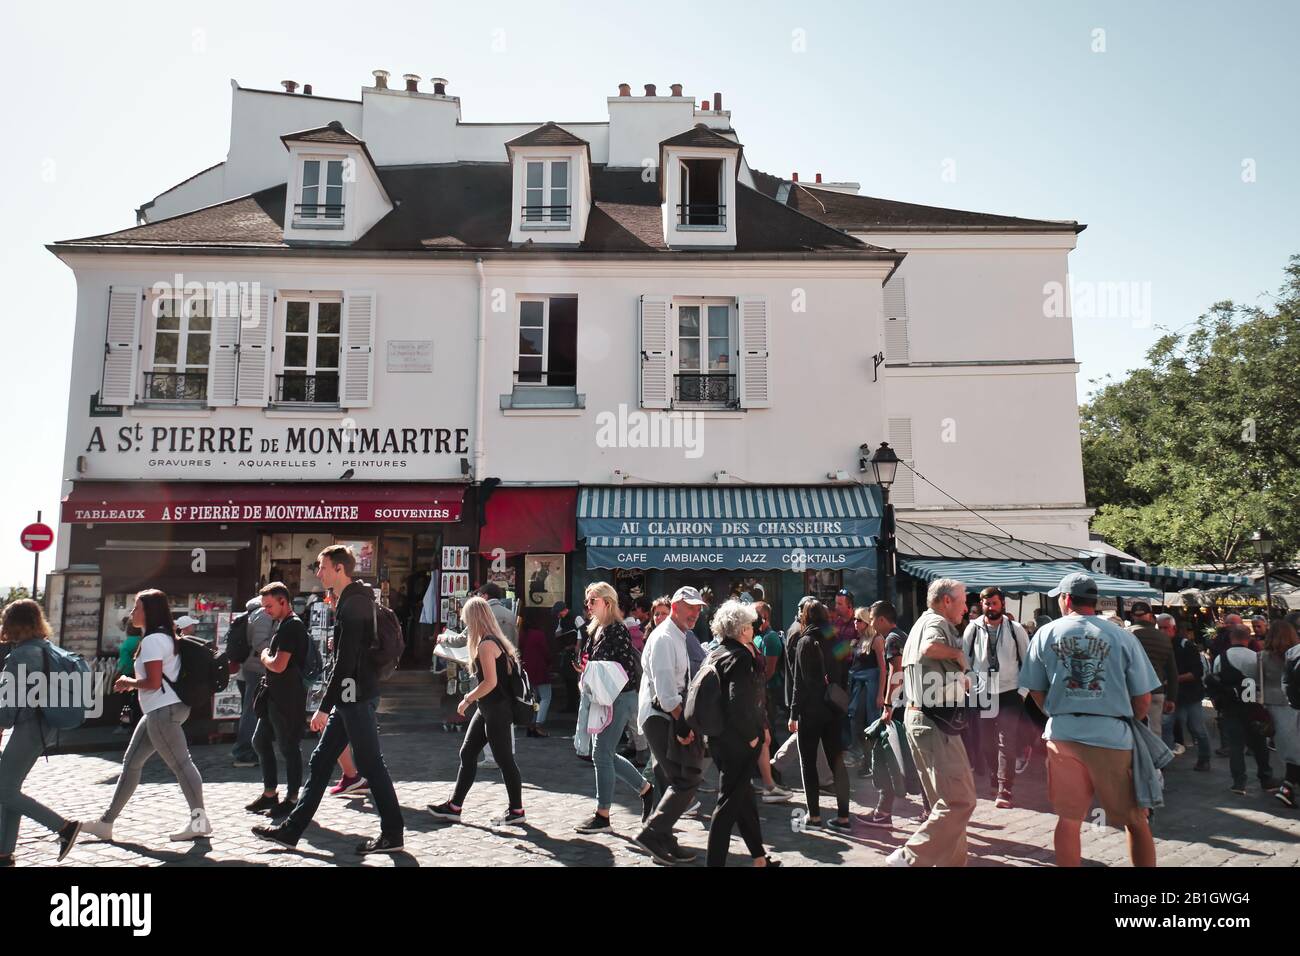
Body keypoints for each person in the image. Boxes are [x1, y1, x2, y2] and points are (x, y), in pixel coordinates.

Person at [253, 545, 404, 854]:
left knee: (370, 764)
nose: (318, 572)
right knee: (321, 760)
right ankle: (291, 831)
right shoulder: (354, 600)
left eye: (322, 567)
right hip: (352, 693)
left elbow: (346, 664)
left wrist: (324, 707)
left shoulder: (352, 605)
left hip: (355, 695)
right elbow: (352, 655)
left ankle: (393, 832)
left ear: (339, 569)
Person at [1018, 572, 1161, 867]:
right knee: (1135, 819)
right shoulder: (1122, 635)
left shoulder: (1045, 634)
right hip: (1112, 734)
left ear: (1067, 599)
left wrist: (1059, 712)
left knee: (1069, 820)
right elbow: (1144, 697)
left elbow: (1035, 689)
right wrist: (1125, 718)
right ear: (1092, 601)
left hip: (1063, 734)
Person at [81, 589, 210, 844]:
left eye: (136, 608)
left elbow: (152, 682)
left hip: (163, 711)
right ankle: (106, 823)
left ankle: (199, 821)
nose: (131, 613)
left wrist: (129, 682)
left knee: (182, 764)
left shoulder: (152, 641)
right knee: (131, 763)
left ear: (148, 611)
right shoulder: (164, 636)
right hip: (162, 710)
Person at [886, 579, 976, 867]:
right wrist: (959, 656)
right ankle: (908, 857)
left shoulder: (922, 622)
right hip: (935, 721)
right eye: (962, 600)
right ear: (946, 600)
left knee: (946, 804)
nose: (966, 606)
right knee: (960, 802)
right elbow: (931, 648)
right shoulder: (935, 622)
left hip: (925, 719)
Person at [428, 596, 527, 825]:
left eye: (466, 620)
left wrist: (467, 699)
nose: (465, 625)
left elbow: (490, 682)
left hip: (495, 709)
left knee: (504, 760)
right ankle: (454, 806)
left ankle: (517, 811)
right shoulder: (495, 641)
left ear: (474, 619)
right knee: (468, 753)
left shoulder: (486, 645)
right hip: (489, 708)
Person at [0, 600, 82, 865]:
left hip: (28, 727)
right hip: (47, 725)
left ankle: (63, 827)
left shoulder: (21, 655)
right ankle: (4, 850)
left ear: (14, 624)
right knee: (10, 788)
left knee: (4, 790)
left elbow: (7, 706)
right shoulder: (48, 648)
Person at [632, 586, 708, 865]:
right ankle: (652, 834)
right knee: (686, 778)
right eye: (691, 607)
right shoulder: (665, 637)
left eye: (699, 608)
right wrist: (683, 725)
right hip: (661, 716)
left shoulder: (679, 635)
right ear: (675, 606)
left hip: (665, 715)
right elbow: (666, 696)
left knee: (669, 780)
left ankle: (663, 839)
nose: (696, 613)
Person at [572, 583, 655, 833]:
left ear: (607, 602)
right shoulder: (597, 628)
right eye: (587, 601)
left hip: (618, 697)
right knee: (603, 753)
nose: (587, 605)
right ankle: (645, 790)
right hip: (604, 697)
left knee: (601, 754)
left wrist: (594, 671)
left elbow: (626, 669)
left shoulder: (617, 629)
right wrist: (585, 669)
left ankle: (603, 815)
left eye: (592, 600)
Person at [704, 600, 777, 867]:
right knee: (726, 808)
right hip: (737, 742)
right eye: (749, 624)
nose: (753, 628)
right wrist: (753, 737)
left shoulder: (716, 652)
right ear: (741, 629)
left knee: (744, 800)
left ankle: (759, 858)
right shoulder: (741, 656)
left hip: (718, 738)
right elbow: (739, 702)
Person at [962, 586, 1031, 809]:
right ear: (981, 604)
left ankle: (1005, 788)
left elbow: (1027, 662)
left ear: (1002, 604)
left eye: (994, 603)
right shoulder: (973, 629)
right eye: (986, 603)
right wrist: (971, 682)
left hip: (1009, 692)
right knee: (985, 742)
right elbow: (964, 660)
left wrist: (1022, 692)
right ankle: (994, 774)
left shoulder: (1015, 629)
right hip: (983, 691)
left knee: (1006, 741)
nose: (990, 607)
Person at [245, 583, 309, 819]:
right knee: (260, 741)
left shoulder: (291, 627)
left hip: (287, 697)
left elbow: (279, 665)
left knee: (288, 746)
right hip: (276, 695)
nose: (266, 611)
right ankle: (270, 793)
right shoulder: (283, 624)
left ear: (283, 601)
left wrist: (264, 656)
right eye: (263, 606)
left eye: (269, 606)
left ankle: (293, 799)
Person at [789, 600, 853, 832]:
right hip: (833, 708)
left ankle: (814, 816)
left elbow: (799, 683)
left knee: (808, 764)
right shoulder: (836, 638)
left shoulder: (804, 641)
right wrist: (839, 689)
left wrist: (793, 713)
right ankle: (844, 817)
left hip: (811, 710)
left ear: (806, 616)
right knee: (837, 762)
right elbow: (848, 664)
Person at [862, 601, 924, 826]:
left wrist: (888, 705)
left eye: (871, 619)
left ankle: (885, 812)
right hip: (908, 702)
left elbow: (895, 671)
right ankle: (886, 810)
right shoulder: (901, 635)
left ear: (880, 619)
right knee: (908, 757)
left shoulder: (891, 639)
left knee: (889, 756)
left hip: (900, 705)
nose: (870, 623)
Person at [1209, 623, 1279, 796]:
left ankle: (1239, 783)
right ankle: (1266, 779)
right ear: (1249, 638)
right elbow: (1264, 681)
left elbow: (1215, 680)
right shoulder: (1257, 657)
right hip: (1254, 707)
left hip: (1231, 708)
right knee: (1260, 745)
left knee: (1235, 746)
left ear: (1231, 638)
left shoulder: (1221, 658)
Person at [1260, 620, 1300, 808]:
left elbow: (1255, 683)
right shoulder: (1295, 655)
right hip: (1294, 704)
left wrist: (1253, 706)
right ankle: (1288, 786)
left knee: (1288, 749)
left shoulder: (1261, 657)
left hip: (1273, 706)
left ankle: (1288, 786)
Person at [1127, 601, 1178, 746]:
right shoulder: (1163, 638)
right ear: (1150, 616)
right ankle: (1156, 766)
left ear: (1133, 616)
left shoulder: (1125, 635)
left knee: (1131, 732)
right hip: (1156, 691)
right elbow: (1172, 672)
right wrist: (1172, 698)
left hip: (1131, 692)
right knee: (1154, 732)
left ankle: (1134, 765)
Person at [1165, 615, 1211, 770]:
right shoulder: (1163, 645)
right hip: (1173, 694)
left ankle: (1204, 759)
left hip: (1190, 694)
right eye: (1161, 628)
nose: (1163, 631)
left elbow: (1196, 672)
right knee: (1166, 725)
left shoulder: (1186, 646)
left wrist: (1174, 679)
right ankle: (1164, 762)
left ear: (1174, 629)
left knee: (1197, 728)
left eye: (1166, 628)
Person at [233, 598, 275, 768]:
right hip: (258, 669)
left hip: (251, 668)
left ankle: (253, 748)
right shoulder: (263, 615)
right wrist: (275, 658)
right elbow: (261, 643)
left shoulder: (253, 614)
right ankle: (244, 752)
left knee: (252, 710)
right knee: (251, 711)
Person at [847, 605, 884, 763]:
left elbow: (883, 669)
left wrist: (881, 694)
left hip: (871, 686)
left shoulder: (877, 639)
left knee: (870, 722)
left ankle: (874, 760)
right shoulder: (858, 640)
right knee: (856, 719)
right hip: (858, 685)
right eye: (854, 619)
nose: (855, 622)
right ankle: (865, 756)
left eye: (858, 620)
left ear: (866, 622)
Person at [519, 610, 553, 738]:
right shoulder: (539, 634)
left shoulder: (523, 634)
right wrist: (550, 661)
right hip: (540, 669)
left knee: (534, 699)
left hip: (527, 669)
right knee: (546, 697)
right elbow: (545, 652)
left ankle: (532, 724)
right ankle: (538, 724)